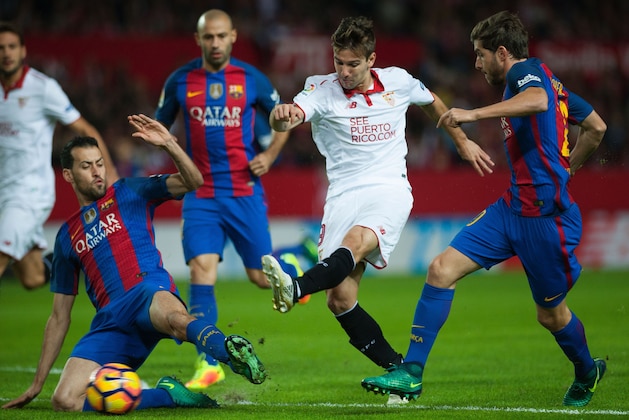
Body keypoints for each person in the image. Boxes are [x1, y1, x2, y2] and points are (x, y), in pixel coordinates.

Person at [361, 11, 607, 407]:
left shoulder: (525, 75)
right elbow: (596, 127)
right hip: (512, 209)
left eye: (480, 54)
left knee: (551, 316)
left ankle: (587, 370)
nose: (476, 63)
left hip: (546, 220)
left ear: (502, 53)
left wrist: (472, 114)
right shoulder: (551, 84)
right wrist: (569, 168)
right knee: (441, 269)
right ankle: (412, 373)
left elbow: (539, 100)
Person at [261, 16, 493, 377]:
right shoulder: (319, 89)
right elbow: (290, 118)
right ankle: (399, 370)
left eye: (353, 64)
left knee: (355, 243)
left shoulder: (397, 81)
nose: (345, 71)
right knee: (340, 299)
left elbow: (432, 101)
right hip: (342, 194)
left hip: (389, 188)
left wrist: (461, 141)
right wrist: (280, 118)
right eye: (339, 62)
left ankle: (295, 287)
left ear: (371, 59)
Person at [1, 114, 267, 412]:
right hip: (111, 322)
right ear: (68, 175)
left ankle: (230, 352)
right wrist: (37, 384)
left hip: (147, 291)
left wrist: (169, 145)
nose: (97, 172)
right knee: (65, 401)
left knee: (177, 321)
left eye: (99, 163)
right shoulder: (66, 236)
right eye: (86, 166)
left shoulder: (129, 190)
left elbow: (193, 181)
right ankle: (169, 396)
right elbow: (59, 316)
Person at [155, 8, 312, 391]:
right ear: (199, 40)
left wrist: (271, 156)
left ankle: (294, 260)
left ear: (233, 37)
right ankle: (208, 363)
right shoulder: (180, 81)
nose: (215, 43)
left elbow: (285, 118)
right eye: (208, 37)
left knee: (260, 277)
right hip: (201, 194)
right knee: (201, 272)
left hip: (243, 191)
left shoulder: (252, 79)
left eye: (221, 36)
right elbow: (161, 126)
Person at [0, 21, 119, 291]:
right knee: (31, 279)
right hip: (2, 191)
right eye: (0, 48)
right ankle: (64, 260)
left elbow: (84, 128)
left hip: (29, 193)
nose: (6, 53)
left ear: (23, 51)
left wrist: (108, 171)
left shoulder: (42, 87)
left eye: (11, 47)